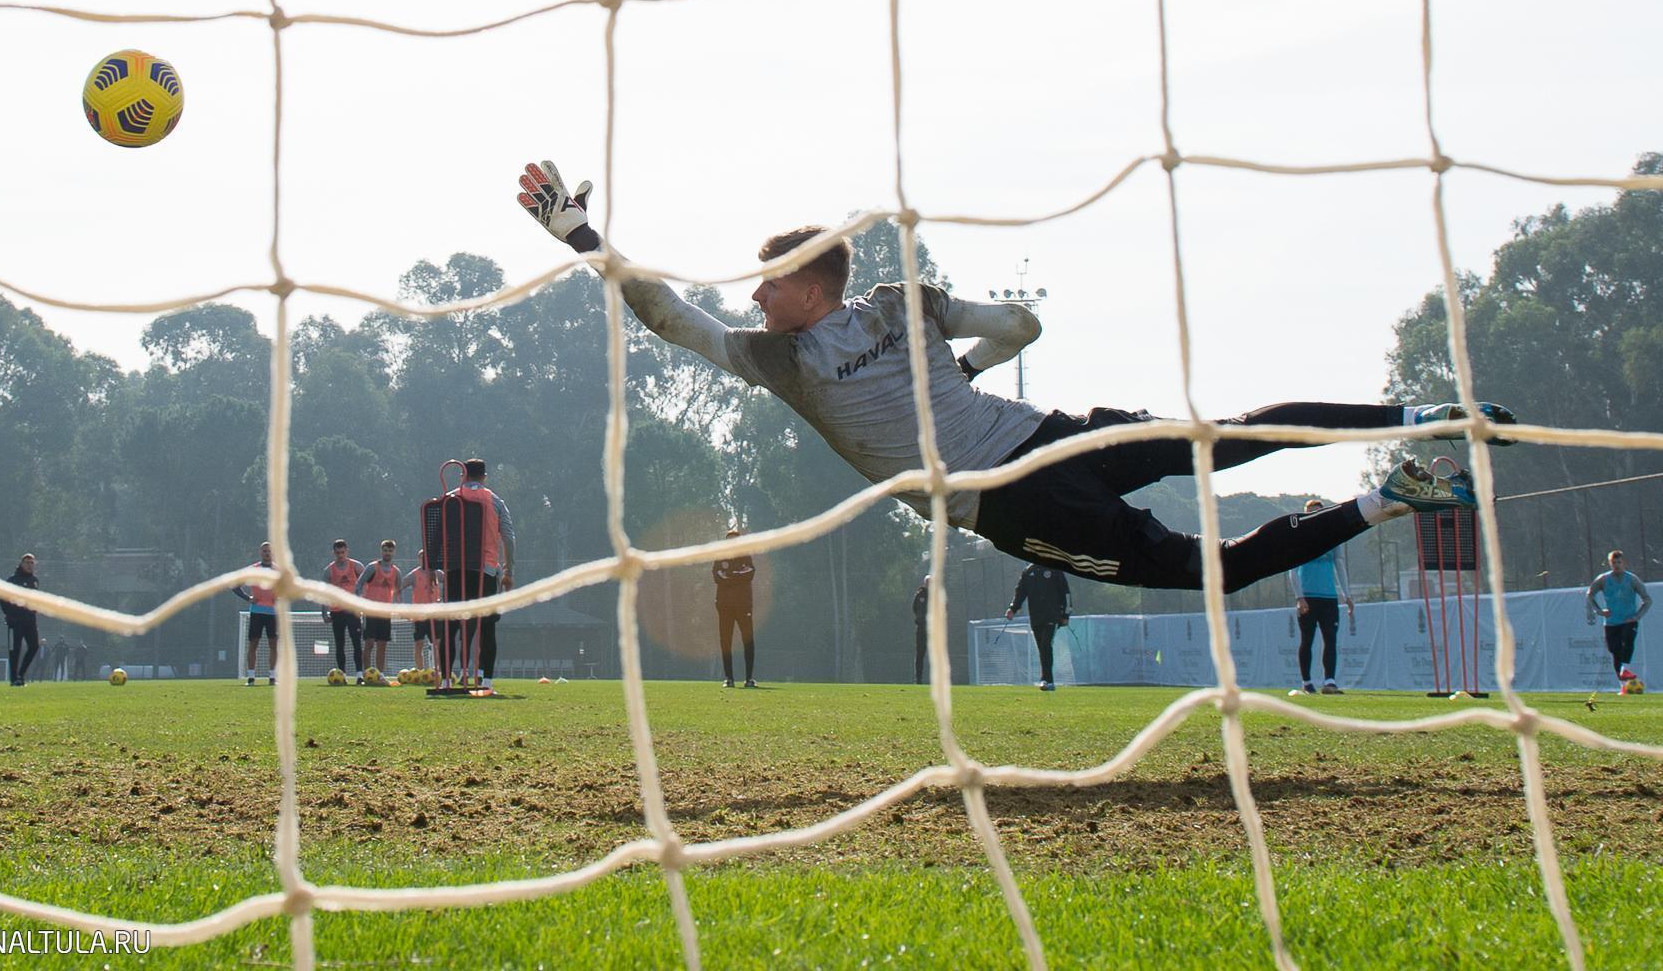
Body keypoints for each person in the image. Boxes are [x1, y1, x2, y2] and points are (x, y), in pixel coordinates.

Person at [516, 160, 1511, 600]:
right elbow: (1024, 325)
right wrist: (966, 366)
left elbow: (668, 316)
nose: (754, 296)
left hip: (1013, 499)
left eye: (768, 282)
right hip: (1054, 430)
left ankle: (1391, 496)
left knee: (1204, 571)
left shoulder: (781, 359)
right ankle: (1426, 415)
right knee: (1229, 436)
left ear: (810, 286)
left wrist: (581, 237)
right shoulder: (905, 302)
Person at [454, 459, 515, 694]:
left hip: (457, 570)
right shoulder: (495, 501)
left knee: (458, 626)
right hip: (486, 570)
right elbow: (508, 536)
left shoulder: (451, 498)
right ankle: (486, 681)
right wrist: (508, 571)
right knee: (487, 627)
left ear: (463, 475)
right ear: (484, 477)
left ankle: (455, 677)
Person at [1289, 500, 1354, 695]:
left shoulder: (1333, 536)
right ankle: (1307, 682)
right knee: (1307, 639)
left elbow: (1339, 564)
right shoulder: (1298, 538)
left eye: (1316, 512)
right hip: (1308, 597)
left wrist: (1347, 594)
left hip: (1329, 597)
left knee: (1330, 638)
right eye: (1309, 513)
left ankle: (1330, 681)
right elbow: (1292, 570)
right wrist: (1299, 597)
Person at [1587, 549, 1652, 687]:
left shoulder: (1632, 579)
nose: (1616, 565)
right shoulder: (1603, 579)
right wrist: (1599, 611)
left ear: (1624, 563)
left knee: (1627, 640)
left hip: (1628, 620)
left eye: (1619, 562)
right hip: (1611, 622)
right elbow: (1590, 594)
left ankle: (1625, 670)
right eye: (1614, 562)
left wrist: (1637, 616)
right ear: (1610, 564)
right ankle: (1624, 685)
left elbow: (1647, 600)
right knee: (1614, 650)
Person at [1006, 562, 1071, 691]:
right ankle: (1047, 680)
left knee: (1046, 645)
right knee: (1042, 647)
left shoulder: (1055, 569)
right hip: (1036, 616)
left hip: (1052, 615)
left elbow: (1066, 593)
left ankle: (1047, 680)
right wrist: (1012, 609)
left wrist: (1066, 614)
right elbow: (1020, 592)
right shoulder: (1028, 571)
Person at [711, 528, 757, 688]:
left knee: (748, 640)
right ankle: (729, 678)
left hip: (744, 605)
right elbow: (717, 577)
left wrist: (729, 575)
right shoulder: (720, 557)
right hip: (724, 606)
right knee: (725, 641)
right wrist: (737, 575)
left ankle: (749, 679)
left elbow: (749, 574)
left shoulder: (746, 556)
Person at [231, 541, 280, 686]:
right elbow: (235, 585)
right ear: (260, 552)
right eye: (264, 551)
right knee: (253, 644)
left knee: (273, 644)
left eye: (269, 551)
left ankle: (272, 677)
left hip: (273, 613)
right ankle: (251, 678)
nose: (267, 553)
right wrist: (248, 598)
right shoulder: (253, 569)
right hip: (257, 612)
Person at [354, 540, 401, 681]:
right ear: (381, 551)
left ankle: (380, 675)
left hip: (385, 613)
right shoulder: (372, 567)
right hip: (371, 611)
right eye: (385, 550)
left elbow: (398, 592)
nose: (387, 553)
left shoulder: (396, 572)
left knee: (382, 644)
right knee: (369, 643)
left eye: (390, 551)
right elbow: (359, 584)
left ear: (394, 552)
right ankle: (367, 674)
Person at [324, 539, 367, 685]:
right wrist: (324, 613)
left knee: (356, 643)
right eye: (338, 553)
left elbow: (366, 583)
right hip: (337, 611)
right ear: (334, 553)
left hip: (353, 610)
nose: (340, 555)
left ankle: (359, 675)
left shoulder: (356, 566)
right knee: (339, 644)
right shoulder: (329, 570)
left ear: (347, 551)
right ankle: (342, 675)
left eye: (342, 552)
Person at [0, 553, 42, 686]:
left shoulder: (34, 581)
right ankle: (14, 679)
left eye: (32, 563)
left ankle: (21, 675)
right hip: (15, 621)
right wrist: (8, 614)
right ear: (21, 564)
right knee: (15, 649)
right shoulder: (12, 580)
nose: (30, 565)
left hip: (30, 620)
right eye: (27, 562)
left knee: (34, 646)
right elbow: (2, 597)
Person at [408, 548, 441, 678]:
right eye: (422, 558)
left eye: (426, 558)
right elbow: (401, 585)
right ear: (419, 559)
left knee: (437, 645)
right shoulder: (414, 574)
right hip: (419, 616)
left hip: (434, 615)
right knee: (419, 644)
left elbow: (450, 581)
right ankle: (420, 672)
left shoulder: (437, 573)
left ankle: (438, 671)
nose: (424, 560)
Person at [912, 575, 931, 684]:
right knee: (920, 653)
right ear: (925, 583)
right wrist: (920, 619)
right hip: (921, 628)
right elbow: (914, 608)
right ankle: (918, 679)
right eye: (928, 582)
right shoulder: (920, 595)